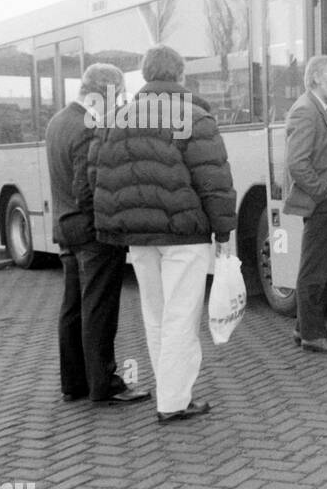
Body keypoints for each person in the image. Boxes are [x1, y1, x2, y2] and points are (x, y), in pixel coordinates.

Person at [89, 44, 237, 422]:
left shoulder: (113, 119)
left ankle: (168, 393)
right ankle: (173, 401)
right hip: (183, 236)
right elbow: (213, 180)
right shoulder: (193, 117)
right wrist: (224, 231)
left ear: (145, 74)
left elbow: (95, 178)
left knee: (155, 315)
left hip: (136, 238)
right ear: (180, 75)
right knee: (181, 317)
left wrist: (112, 222)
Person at [47, 64, 149, 405]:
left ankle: (74, 383)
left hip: (65, 229)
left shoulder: (58, 122)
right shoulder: (90, 128)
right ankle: (104, 384)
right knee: (99, 311)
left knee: (73, 308)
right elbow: (87, 188)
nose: (119, 100)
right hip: (92, 234)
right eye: (118, 93)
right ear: (105, 91)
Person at [284, 55, 327, 353]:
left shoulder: (318, 108)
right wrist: (323, 191)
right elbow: (297, 164)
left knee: (323, 264)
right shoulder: (306, 111)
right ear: (314, 79)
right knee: (316, 267)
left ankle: (307, 327)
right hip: (323, 199)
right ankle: (311, 333)